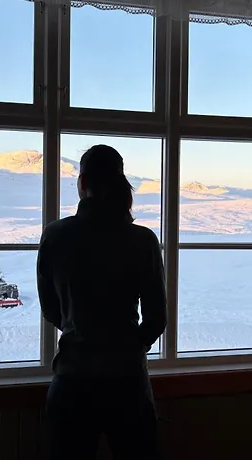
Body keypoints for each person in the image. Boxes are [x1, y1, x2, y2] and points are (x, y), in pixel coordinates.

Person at [37, 144, 167, 460]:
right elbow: (156, 318)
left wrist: (80, 330)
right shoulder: (142, 240)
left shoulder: (56, 235)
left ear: (82, 183)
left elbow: (51, 309)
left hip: (73, 379)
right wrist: (127, 346)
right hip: (128, 381)